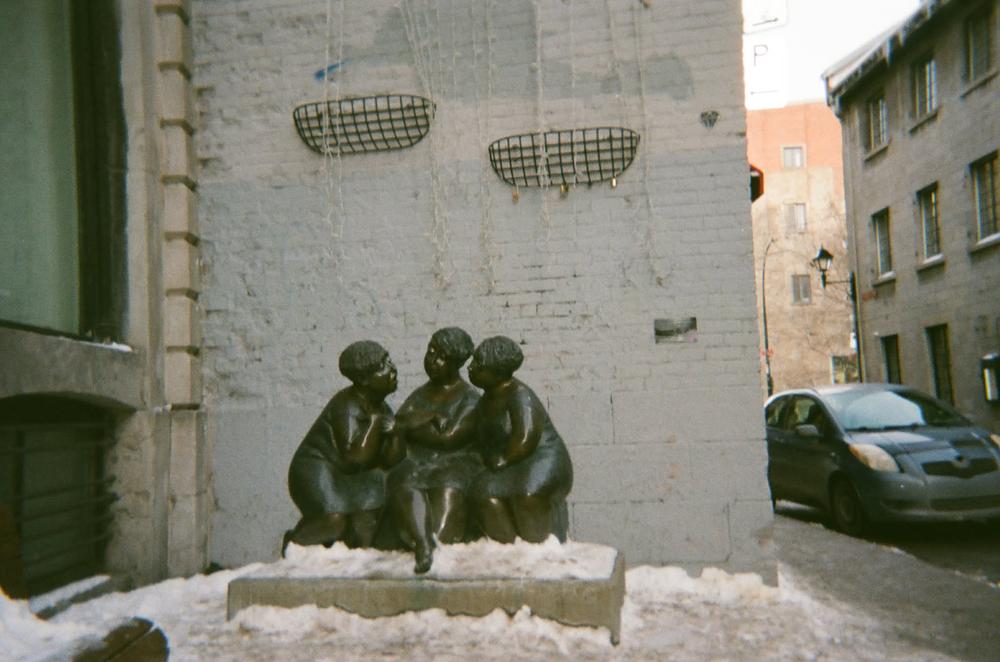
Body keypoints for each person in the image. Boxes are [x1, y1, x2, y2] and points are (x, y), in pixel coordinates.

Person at [285, 340, 404, 551]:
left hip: (350, 475)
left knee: (368, 519)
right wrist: (375, 423)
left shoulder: (382, 407)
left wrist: (395, 435)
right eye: (382, 366)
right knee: (334, 521)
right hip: (316, 470)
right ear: (363, 379)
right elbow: (355, 456)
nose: (392, 369)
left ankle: (355, 556)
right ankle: (295, 544)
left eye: (389, 360)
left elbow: (390, 461)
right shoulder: (347, 405)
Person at [388, 327, 483, 573]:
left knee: (448, 485)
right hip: (418, 462)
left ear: (455, 363)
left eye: (440, 356)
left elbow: (448, 438)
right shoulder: (420, 394)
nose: (432, 361)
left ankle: (437, 541)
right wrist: (429, 418)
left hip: (458, 462)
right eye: (430, 352)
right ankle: (422, 543)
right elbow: (397, 424)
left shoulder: (470, 398)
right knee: (405, 482)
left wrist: (412, 425)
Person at [467, 336, 573, 544]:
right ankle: (509, 547)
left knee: (527, 495)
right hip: (511, 465)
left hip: (542, 459)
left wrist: (505, 458)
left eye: (478, 364)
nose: (471, 368)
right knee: (482, 493)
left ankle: (538, 546)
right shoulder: (485, 401)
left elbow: (526, 437)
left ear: (497, 371)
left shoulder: (520, 395)